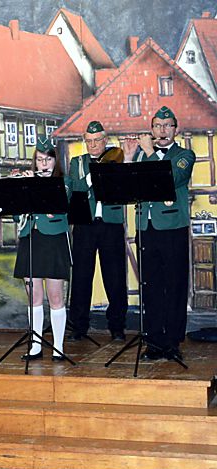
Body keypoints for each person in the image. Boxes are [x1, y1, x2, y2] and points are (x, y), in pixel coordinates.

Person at [122, 106, 194, 361]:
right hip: (146, 227)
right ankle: (154, 341)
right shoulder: (142, 156)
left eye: (167, 126)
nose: (162, 131)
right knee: (150, 286)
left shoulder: (184, 155)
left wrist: (150, 152)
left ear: (176, 129)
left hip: (172, 227)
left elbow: (171, 178)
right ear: (152, 129)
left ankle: (173, 341)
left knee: (174, 284)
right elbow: (126, 189)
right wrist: (129, 158)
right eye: (157, 126)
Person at [12, 137, 72, 361]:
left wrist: (33, 186)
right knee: (33, 296)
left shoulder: (64, 182)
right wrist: (21, 189)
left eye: (48, 160)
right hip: (31, 238)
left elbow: (59, 203)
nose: (44, 164)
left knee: (55, 295)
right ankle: (35, 345)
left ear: (55, 162)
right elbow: (16, 214)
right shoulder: (28, 182)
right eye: (39, 160)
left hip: (53, 240)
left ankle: (58, 346)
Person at [68, 121, 128, 342]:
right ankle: (79, 326)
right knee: (81, 276)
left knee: (115, 276)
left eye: (97, 141)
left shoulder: (117, 160)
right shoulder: (78, 162)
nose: (93, 145)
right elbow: (76, 188)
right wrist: (93, 175)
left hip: (111, 223)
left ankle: (117, 326)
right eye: (89, 141)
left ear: (105, 140)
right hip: (85, 224)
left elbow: (123, 189)